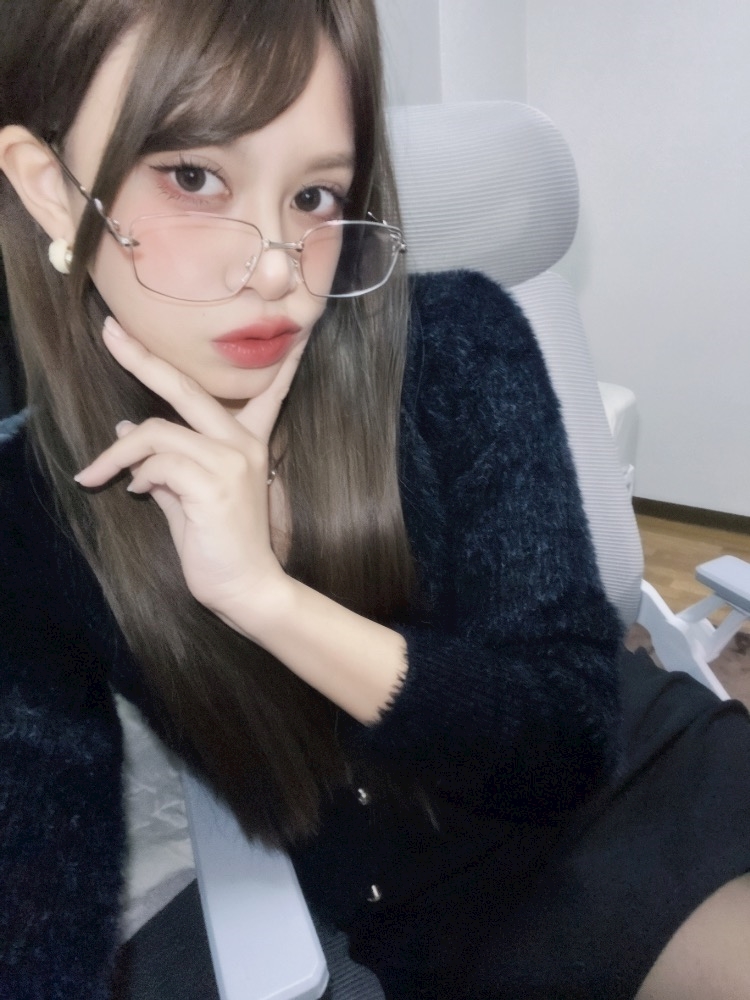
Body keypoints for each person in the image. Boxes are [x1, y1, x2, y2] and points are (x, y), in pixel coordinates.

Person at [1, 1, 750, 997]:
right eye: (193, 176)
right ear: (51, 189)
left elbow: (565, 744)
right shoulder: (33, 515)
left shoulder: (458, 342)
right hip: (468, 910)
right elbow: (42, 885)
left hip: (643, 775)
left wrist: (270, 598)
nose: (278, 267)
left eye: (315, 195)